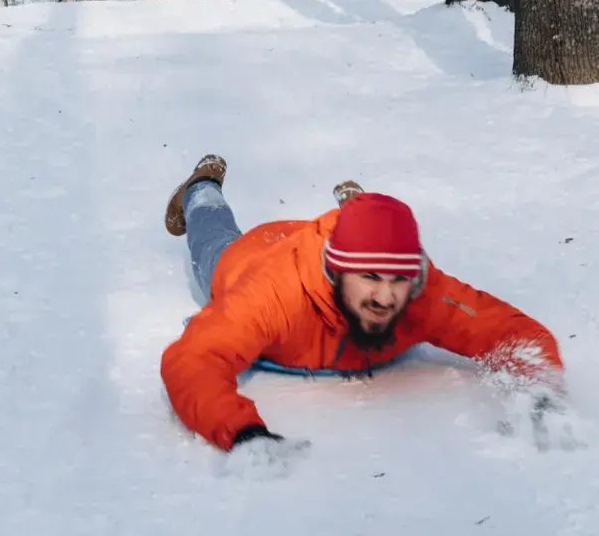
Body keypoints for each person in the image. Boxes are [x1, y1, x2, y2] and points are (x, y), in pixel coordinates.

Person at [160, 154, 570, 460]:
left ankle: (355, 206)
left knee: (378, 239)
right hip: (253, 256)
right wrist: (243, 433)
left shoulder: (420, 292)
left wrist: (538, 393)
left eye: (397, 280)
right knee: (212, 239)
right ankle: (202, 187)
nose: (387, 298)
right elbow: (194, 359)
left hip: (338, 241)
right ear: (338, 273)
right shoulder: (272, 295)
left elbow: (512, 332)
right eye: (371, 279)